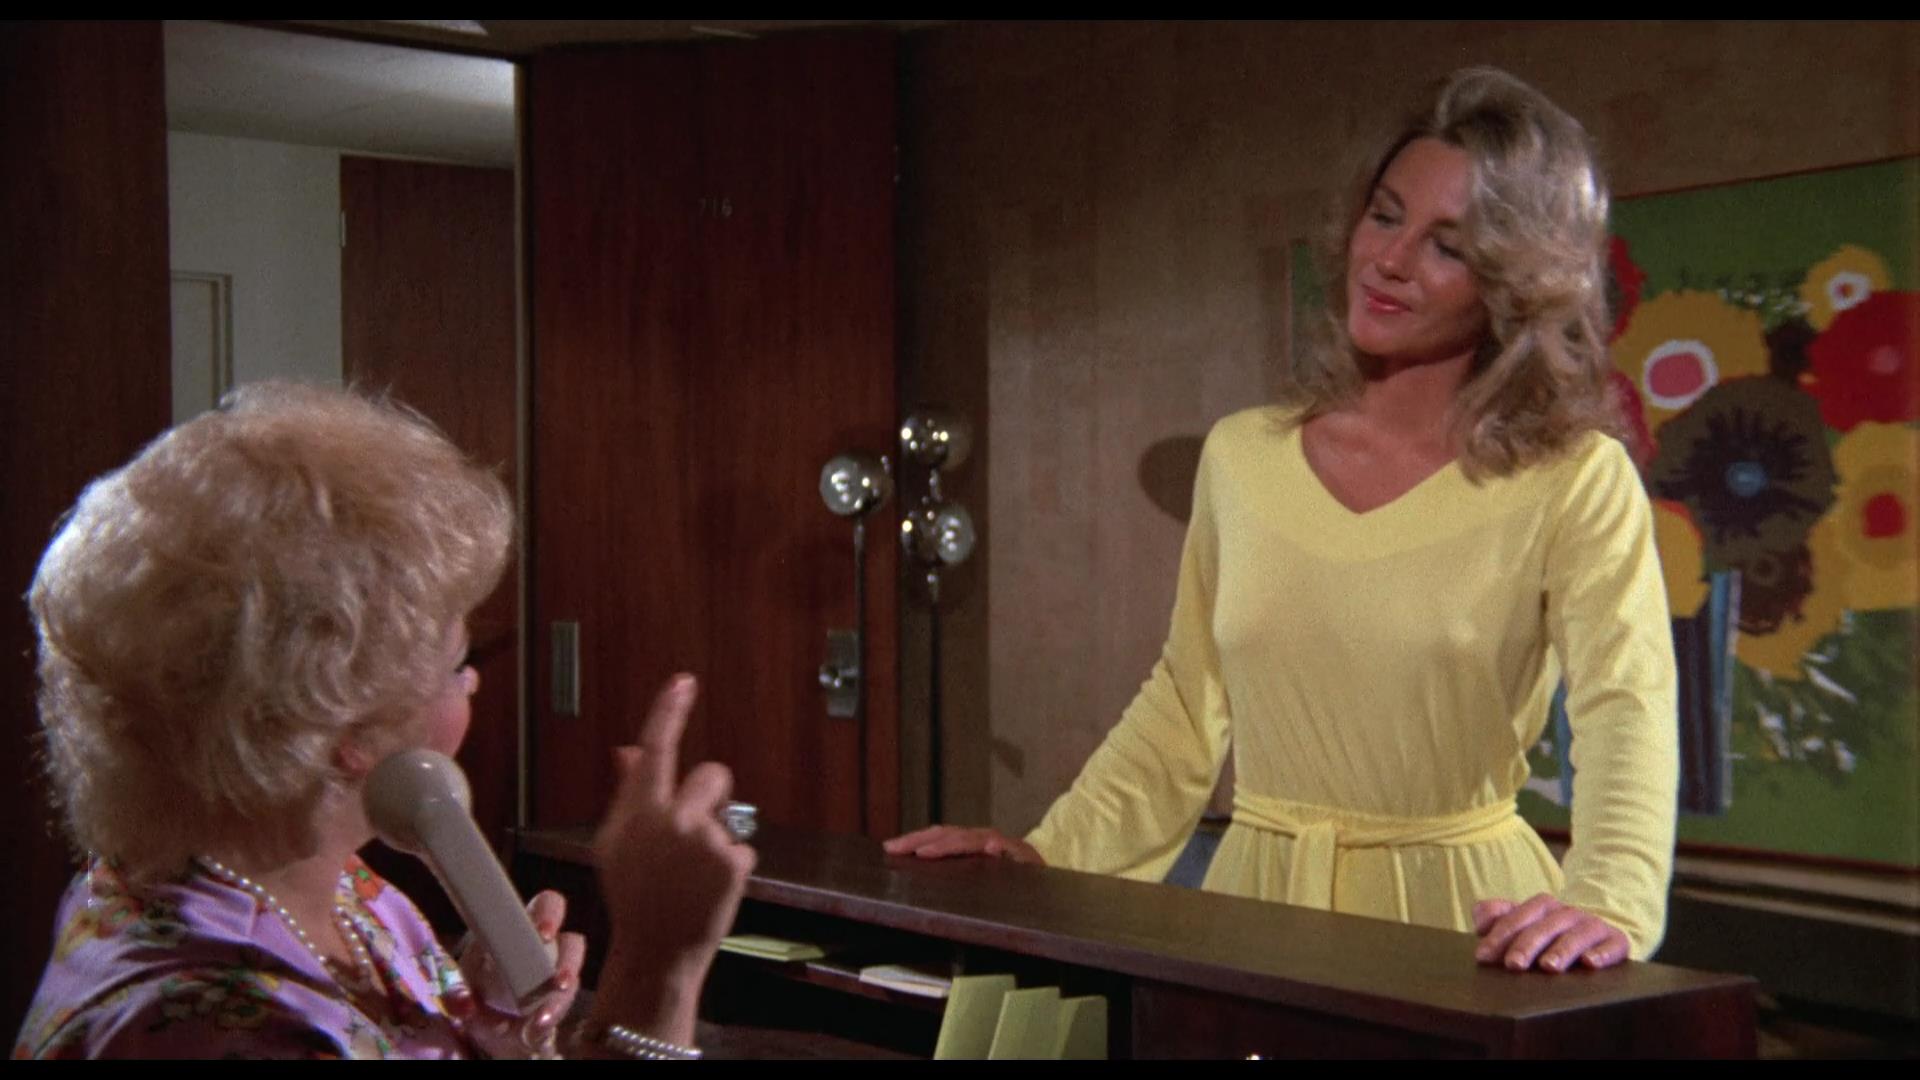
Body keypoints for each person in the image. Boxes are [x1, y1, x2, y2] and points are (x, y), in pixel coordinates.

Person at [887, 66, 1679, 975]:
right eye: (1385, 216)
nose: (1388, 260)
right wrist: (1052, 857)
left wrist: (1609, 901)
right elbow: (1186, 703)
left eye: (1447, 247)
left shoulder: (1572, 480)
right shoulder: (1244, 457)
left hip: (1461, 928)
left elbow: (1627, 704)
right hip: (1252, 918)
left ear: (1513, 285)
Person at [14, 381, 755, 1058]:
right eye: (458, 665)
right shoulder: (227, 1031)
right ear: (346, 730)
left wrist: (485, 1037)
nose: (474, 684)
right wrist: (660, 968)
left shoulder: (333, 892)